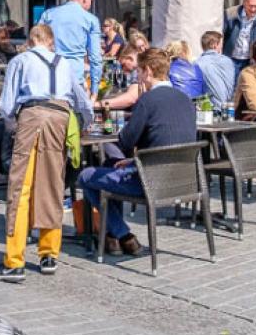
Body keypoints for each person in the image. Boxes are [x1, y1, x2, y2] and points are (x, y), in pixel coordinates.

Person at [0, 22, 93, 282]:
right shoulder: (64, 63)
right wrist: (83, 123)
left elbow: (7, 104)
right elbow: (82, 101)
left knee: (21, 188)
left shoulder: (21, 60)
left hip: (33, 116)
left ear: (33, 39)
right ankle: (49, 254)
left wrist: (14, 124)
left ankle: (14, 261)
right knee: (52, 186)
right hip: (60, 117)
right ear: (50, 41)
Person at [78, 47, 196, 257]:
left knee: (87, 176)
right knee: (110, 166)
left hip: (150, 182)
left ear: (148, 71)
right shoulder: (185, 99)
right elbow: (166, 141)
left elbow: (125, 141)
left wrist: (132, 155)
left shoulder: (148, 100)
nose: (138, 77)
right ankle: (113, 237)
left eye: (140, 72)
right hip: (184, 181)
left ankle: (122, 235)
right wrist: (133, 161)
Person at [41, 0, 102, 90]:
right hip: (75, 78)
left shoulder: (48, 15)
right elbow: (95, 58)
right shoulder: (91, 20)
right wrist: (95, 88)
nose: (90, 3)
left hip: (49, 75)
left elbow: (37, 45)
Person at [195, 31, 237, 112]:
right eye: (221, 44)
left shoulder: (196, 64)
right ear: (214, 45)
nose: (222, 46)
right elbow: (230, 87)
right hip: (227, 108)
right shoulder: (227, 61)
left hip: (206, 108)